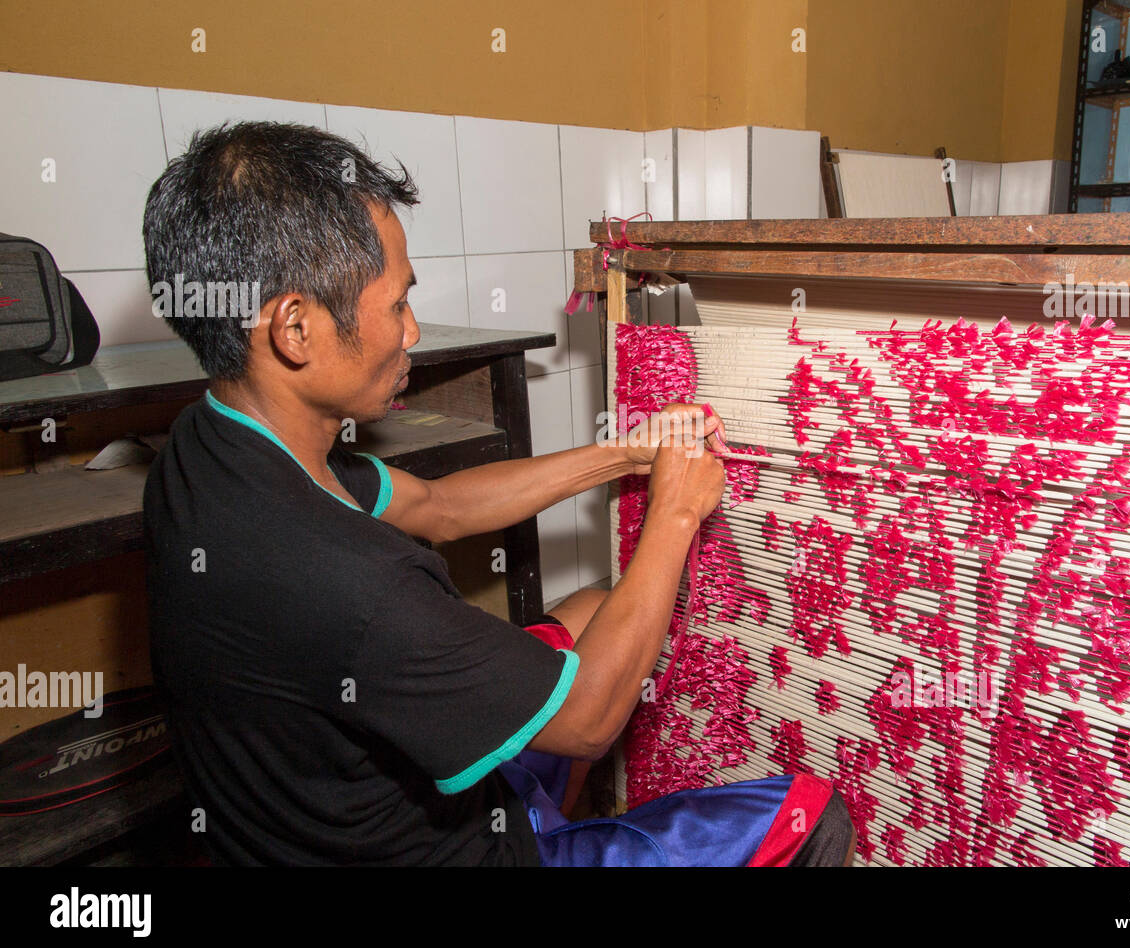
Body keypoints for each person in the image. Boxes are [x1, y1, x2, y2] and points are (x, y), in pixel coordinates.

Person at [142, 121, 854, 866]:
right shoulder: (359, 588)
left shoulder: (206, 448)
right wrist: (676, 510)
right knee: (815, 818)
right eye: (396, 306)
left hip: (320, 819)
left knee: (592, 609)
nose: (412, 330)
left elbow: (438, 507)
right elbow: (590, 719)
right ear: (295, 327)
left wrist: (625, 454)